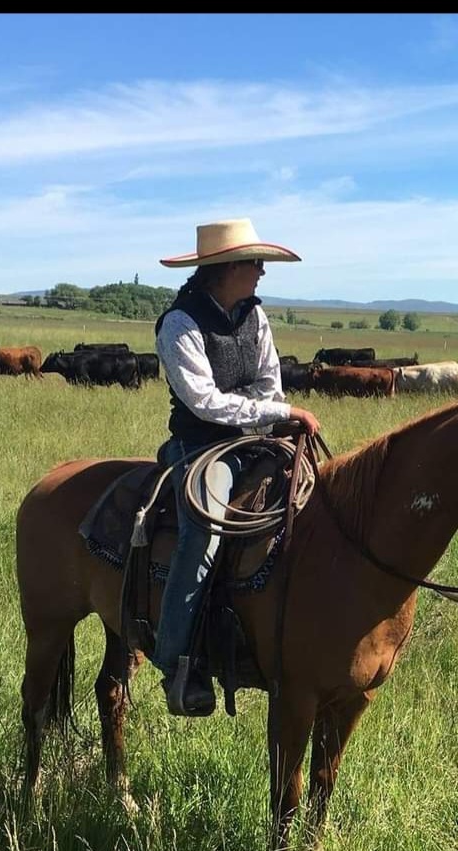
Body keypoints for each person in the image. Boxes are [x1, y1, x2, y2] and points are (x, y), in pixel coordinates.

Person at [151, 218, 321, 716]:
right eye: (254, 262)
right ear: (226, 268)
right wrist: (278, 413)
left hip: (257, 439)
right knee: (202, 533)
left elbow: (270, 383)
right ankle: (178, 660)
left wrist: (275, 415)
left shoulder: (255, 316)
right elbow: (204, 402)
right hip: (201, 446)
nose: (263, 272)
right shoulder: (179, 323)